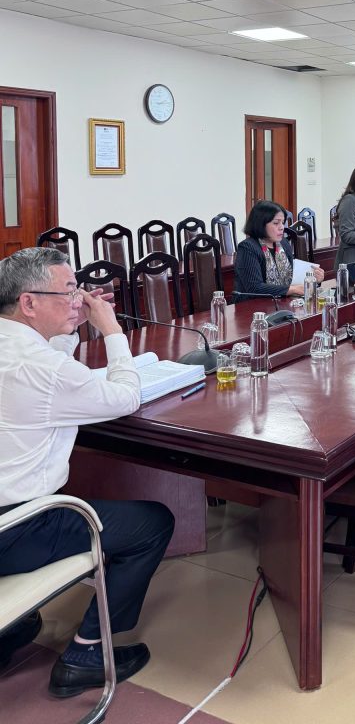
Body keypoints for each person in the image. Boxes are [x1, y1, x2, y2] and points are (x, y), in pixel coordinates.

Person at [0, 248, 175, 697]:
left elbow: (49, 374)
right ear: (29, 302)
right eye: (68, 291)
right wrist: (112, 331)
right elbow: (125, 398)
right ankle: (87, 655)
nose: (78, 299)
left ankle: (10, 632)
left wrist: (70, 325)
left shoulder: (18, 347)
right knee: (153, 523)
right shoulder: (44, 368)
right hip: (16, 527)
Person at [234, 200, 324, 301]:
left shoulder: (283, 243)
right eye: (276, 223)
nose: (282, 227)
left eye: (283, 222)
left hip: (281, 302)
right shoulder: (247, 248)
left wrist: (314, 279)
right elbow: (254, 288)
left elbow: (293, 278)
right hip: (250, 306)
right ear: (260, 224)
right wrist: (292, 289)